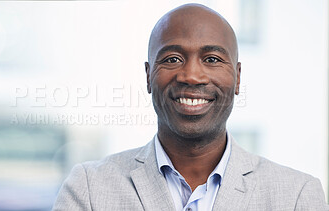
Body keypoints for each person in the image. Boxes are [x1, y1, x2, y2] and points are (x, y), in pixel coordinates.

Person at [53, 3, 328, 211]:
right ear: (148, 76)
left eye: (211, 59)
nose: (192, 76)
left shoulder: (296, 195)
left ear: (238, 77)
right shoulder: (88, 189)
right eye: (172, 59)